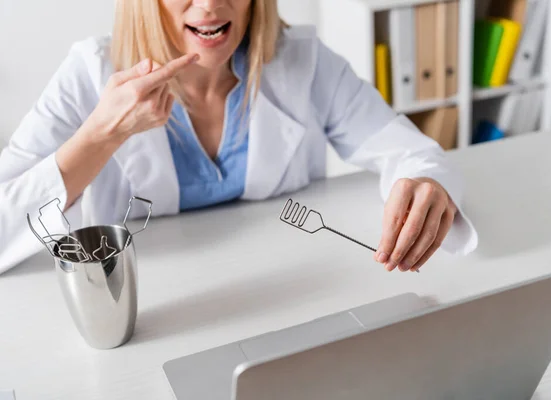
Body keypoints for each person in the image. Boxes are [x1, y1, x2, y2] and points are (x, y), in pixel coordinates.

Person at [0, 0, 477, 274]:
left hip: (286, 290)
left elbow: (407, 149)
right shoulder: (88, 73)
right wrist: (101, 137)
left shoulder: (303, 60)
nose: (209, 6)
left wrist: (425, 182)